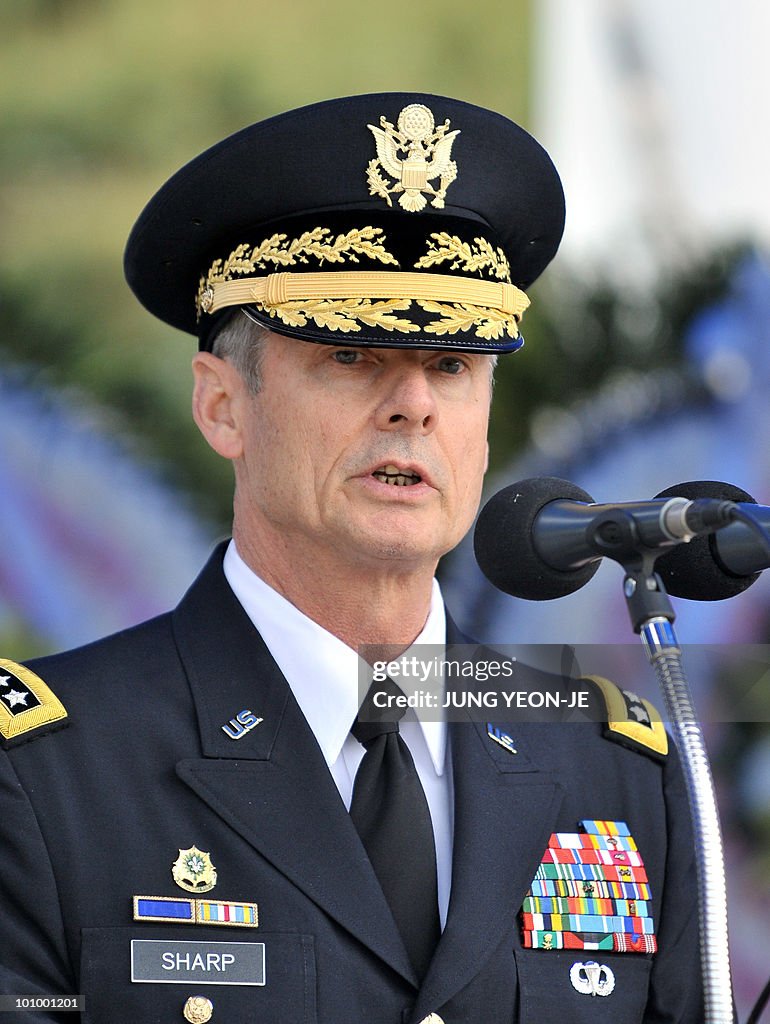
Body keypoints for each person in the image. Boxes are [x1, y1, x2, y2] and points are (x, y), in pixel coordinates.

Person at [0, 93, 702, 1023]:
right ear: (222, 407)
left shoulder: (617, 769)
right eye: (350, 356)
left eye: (453, 365)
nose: (413, 404)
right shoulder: (46, 774)